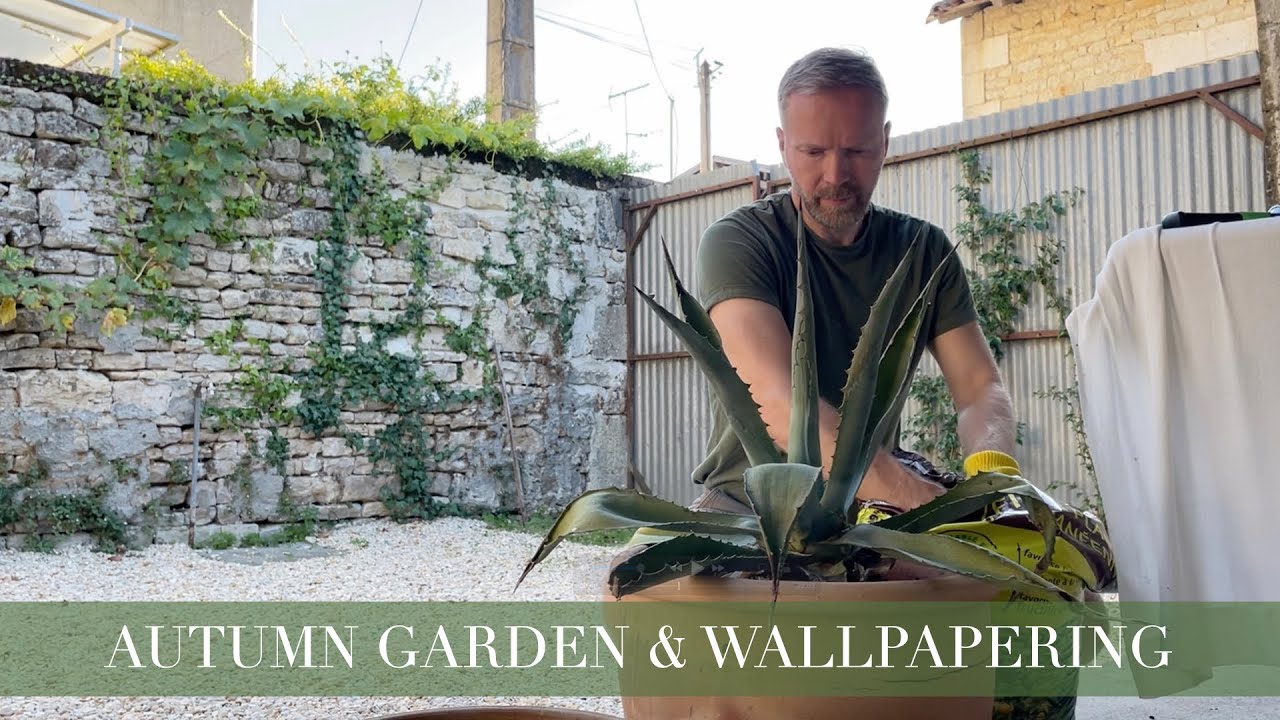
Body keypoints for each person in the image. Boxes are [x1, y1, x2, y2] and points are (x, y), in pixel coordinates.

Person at [689, 47, 1017, 515]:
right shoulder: (739, 243)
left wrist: (993, 481)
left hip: (872, 506)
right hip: (750, 504)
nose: (836, 174)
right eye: (813, 151)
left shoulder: (924, 252)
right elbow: (781, 408)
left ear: (884, 143)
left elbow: (980, 386)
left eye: (857, 151)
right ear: (783, 146)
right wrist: (922, 503)